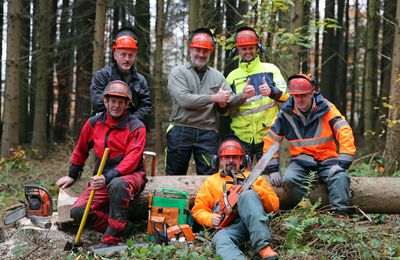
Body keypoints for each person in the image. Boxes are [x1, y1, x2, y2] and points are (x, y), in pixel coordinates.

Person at [57, 80, 147, 245]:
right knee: (78, 212)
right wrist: (72, 174)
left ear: (127, 104)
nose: (116, 105)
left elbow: (132, 160)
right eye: (113, 101)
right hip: (102, 178)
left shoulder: (136, 127)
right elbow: (81, 149)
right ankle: (123, 228)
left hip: (130, 175)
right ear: (105, 101)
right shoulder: (93, 123)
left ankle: (112, 238)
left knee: (118, 185)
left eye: (121, 102)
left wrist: (109, 177)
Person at [263, 74, 356, 214]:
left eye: (303, 95)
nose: (299, 99)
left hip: (327, 158)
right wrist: (273, 169)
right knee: (289, 179)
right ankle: (305, 211)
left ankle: (340, 216)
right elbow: (271, 140)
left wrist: (342, 163)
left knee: (340, 177)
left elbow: (344, 131)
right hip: (300, 160)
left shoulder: (327, 108)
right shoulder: (285, 113)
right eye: (296, 96)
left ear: (312, 93)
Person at [166, 28, 245, 175]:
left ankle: (206, 199)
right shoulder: (178, 72)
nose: (201, 54)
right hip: (181, 128)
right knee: (174, 177)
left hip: (207, 132)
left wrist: (243, 96)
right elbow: (184, 100)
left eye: (205, 51)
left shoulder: (218, 76)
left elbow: (229, 101)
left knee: (210, 177)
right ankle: (173, 199)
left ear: (211, 52)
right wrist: (214, 98)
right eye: (198, 50)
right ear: (191, 49)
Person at [192, 137, 279, 260]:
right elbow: (198, 209)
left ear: (242, 159)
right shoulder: (211, 182)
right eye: (227, 157)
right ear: (220, 160)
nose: (231, 160)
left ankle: (263, 248)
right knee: (220, 238)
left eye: (235, 157)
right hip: (231, 227)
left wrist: (255, 190)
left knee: (248, 195)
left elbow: (274, 206)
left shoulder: (254, 178)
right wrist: (210, 218)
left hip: (255, 223)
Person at [225, 26, 289, 172]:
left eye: (251, 48)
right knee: (238, 179)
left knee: (269, 180)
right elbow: (225, 109)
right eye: (244, 48)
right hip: (241, 136)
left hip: (268, 135)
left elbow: (287, 96)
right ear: (238, 50)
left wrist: (272, 92)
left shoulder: (271, 70)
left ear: (257, 47)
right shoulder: (232, 76)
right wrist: (241, 97)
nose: (248, 51)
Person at [90, 27, 152, 122]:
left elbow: (146, 106)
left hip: (130, 129)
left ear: (135, 56)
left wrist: (130, 121)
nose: (127, 59)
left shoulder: (141, 80)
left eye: (130, 55)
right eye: (123, 54)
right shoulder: (102, 76)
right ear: (115, 55)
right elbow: (98, 104)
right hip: (105, 127)